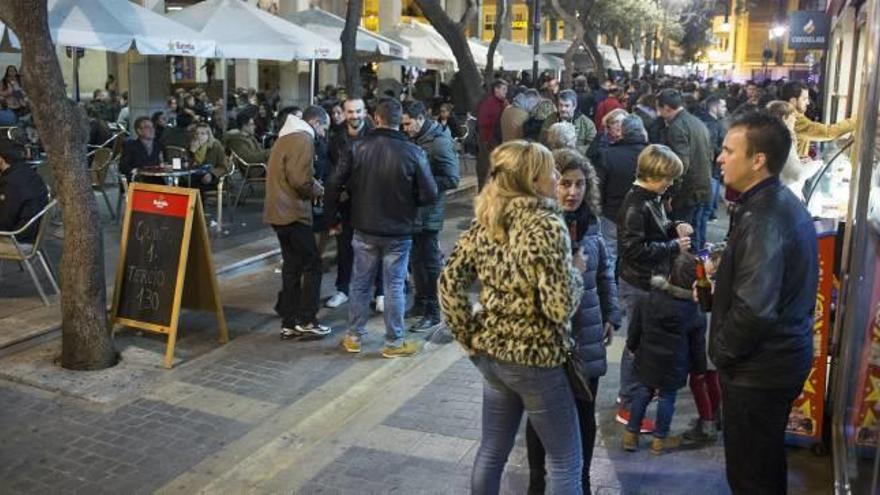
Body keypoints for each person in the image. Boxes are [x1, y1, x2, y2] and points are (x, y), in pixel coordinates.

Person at [438, 140, 584, 494]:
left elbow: (448, 284)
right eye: (549, 170)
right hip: (537, 360)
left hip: (493, 355)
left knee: (492, 451)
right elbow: (559, 306)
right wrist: (577, 272)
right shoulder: (545, 225)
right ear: (532, 180)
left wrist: (470, 337)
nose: (555, 176)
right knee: (566, 462)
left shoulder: (486, 219)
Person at [711, 111, 818, 494]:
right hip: (773, 362)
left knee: (750, 474)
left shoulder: (764, 217)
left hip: (759, 370)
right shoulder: (768, 205)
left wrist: (721, 352)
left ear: (758, 160)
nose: (720, 158)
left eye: (728, 150)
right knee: (762, 462)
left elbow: (755, 309)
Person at [526, 148, 620, 494]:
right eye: (564, 183)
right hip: (548, 338)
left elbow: (606, 271)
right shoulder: (536, 225)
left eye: (580, 184)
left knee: (584, 411)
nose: (572, 192)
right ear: (550, 183)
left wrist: (612, 313)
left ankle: (580, 480)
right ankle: (537, 481)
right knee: (540, 416)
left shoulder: (591, 224)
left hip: (586, 334)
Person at [327, 98, 438, 358]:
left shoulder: (357, 147)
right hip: (399, 231)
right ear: (399, 121)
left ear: (375, 118)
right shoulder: (414, 152)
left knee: (360, 283)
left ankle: (354, 336)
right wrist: (410, 202)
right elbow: (430, 194)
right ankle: (394, 342)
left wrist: (334, 217)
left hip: (364, 227)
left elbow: (333, 183)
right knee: (394, 286)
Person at [615, 144, 692, 431]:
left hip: (650, 279)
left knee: (644, 340)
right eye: (668, 178)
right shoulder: (636, 203)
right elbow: (633, 249)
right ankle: (627, 402)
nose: (671, 184)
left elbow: (656, 227)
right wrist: (673, 246)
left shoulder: (652, 198)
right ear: (653, 174)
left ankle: (637, 393)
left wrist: (676, 226)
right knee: (636, 343)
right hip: (638, 282)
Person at [623, 252, 704, 454]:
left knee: (642, 392)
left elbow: (635, 329)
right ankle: (660, 440)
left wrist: (632, 347)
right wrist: (699, 368)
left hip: (647, 358)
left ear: (669, 276)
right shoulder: (693, 311)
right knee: (667, 398)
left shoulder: (647, 299)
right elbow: (697, 344)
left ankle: (631, 434)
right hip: (675, 363)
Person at [263, 106, 331, 340]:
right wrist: (318, 189)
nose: (322, 134)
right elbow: (301, 179)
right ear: (315, 122)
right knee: (312, 265)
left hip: (277, 214)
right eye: (323, 127)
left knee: (291, 267)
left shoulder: (284, 137)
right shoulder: (303, 139)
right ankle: (307, 319)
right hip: (293, 213)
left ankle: (289, 323)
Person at [401, 101, 460, 333]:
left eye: (408, 124)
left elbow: (452, 178)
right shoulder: (413, 139)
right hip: (413, 212)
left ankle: (434, 311)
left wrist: (423, 187)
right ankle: (420, 302)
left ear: (420, 119)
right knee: (416, 261)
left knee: (430, 262)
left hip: (429, 213)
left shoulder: (439, 143)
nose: (405, 128)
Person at [324, 98, 378, 310]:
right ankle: (342, 289)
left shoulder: (374, 137)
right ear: (344, 113)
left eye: (358, 111)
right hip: (345, 202)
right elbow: (331, 171)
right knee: (344, 247)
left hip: (371, 201)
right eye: (350, 112)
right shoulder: (336, 139)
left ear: (365, 112)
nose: (354, 115)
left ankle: (379, 291)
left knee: (374, 248)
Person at [655, 89, 713, 250]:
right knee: (698, 236)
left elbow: (680, 165)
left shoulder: (677, 127)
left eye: (659, 109)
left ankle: (688, 272)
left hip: (686, 193)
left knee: (685, 240)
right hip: (702, 188)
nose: (659, 114)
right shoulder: (697, 122)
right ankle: (700, 271)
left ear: (666, 107)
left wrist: (671, 194)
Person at [595, 115, 649, 271]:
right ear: (642, 131)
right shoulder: (652, 154)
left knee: (609, 259)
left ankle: (610, 292)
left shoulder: (607, 155)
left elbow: (599, 188)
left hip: (612, 215)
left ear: (622, 132)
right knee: (636, 258)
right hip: (643, 215)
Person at [780, 80, 855, 159]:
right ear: (793, 101)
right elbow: (827, 132)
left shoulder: (783, 113)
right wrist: (855, 121)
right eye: (804, 99)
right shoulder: (793, 118)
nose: (808, 102)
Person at [0, 139, 48, 244]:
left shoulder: (11, 183)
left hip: (17, 239)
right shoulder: (28, 172)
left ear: (1, 159)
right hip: (33, 232)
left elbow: (5, 223)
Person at [695, 95, 727, 221]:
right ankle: (699, 240)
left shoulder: (712, 123)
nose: (725, 109)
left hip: (712, 171)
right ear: (714, 107)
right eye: (723, 106)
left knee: (704, 210)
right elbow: (711, 148)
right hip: (710, 171)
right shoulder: (711, 125)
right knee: (704, 210)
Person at [541, 89, 597, 156]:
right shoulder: (550, 119)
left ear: (574, 106)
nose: (563, 109)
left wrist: (574, 149)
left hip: (577, 159)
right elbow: (543, 141)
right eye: (560, 105)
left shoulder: (587, 123)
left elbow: (592, 146)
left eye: (566, 106)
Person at [476, 79, 508, 190]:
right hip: (488, 141)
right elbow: (483, 123)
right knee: (487, 170)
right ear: (496, 89)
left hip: (496, 141)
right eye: (503, 89)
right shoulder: (489, 104)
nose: (505, 92)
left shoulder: (502, 103)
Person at [119, 116, 162, 181]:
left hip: (157, 180)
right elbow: (123, 166)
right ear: (139, 131)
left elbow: (163, 163)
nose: (152, 129)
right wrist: (134, 171)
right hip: (138, 181)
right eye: (147, 127)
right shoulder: (131, 146)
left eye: (152, 127)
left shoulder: (158, 146)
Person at [188, 123, 228, 188]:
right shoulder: (191, 144)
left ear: (208, 136)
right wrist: (192, 152)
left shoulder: (215, 145)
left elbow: (224, 166)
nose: (199, 136)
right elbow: (188, 166)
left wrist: (212, 175)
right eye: (197, 133)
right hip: (194, 175)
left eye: (202, 134)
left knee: (196, 184)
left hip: (212, 176)